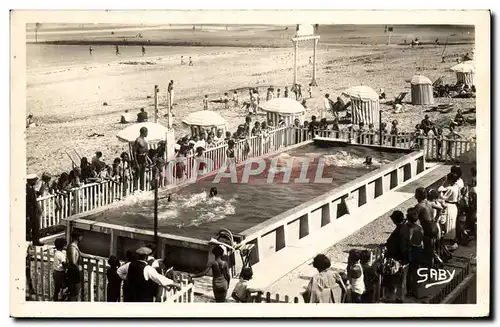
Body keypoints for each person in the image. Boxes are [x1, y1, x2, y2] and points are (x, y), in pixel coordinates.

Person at [383, 210, 408, 303]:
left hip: (397, 259)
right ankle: (399, 297)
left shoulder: (400, 231)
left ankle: (391, 298)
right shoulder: (405, 227)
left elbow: (398, 246)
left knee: (393, 280)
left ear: (394, 220)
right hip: (404, 259)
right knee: (401, 281)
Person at [414, 187, 438, 267]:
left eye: (416, 194)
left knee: (427, 249)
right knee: (431, 247)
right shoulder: (429, 203)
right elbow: (441, 208)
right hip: (434, 226)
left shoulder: (419, 206)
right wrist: (436, 219)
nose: (415, 196)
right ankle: (431, 263)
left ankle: (429, 267)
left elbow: (413, 218)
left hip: (428, 229)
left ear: (418, 196)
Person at [405, 208, 424, 297]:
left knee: (410, 271)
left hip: (413, 250)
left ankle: (410, 290)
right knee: (415, 269)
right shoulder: (419, 228)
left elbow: (409, 240)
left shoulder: (411, 229)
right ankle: (415, 288)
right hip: (419, 249)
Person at [439, 172, 461, 250]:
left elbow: (442, 197)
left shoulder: (450, 189)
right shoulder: (457, 187)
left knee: (447, 224)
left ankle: (448, 243)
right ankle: (452, 241)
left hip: (449, 206)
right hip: (454, 206)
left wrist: (441, 189)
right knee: (452, 224)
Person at [66, 231, 84, 301]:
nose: (82, 238)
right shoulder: (72, 247)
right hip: (73, 271)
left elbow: (79, 253)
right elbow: (73, 261)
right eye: (81, 236)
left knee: (75, 291)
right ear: (78, 237)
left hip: (73, 270)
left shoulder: (74, 246)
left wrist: (91, 256)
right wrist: (78, 267)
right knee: (75, 291)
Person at [26, 174, 42, 246]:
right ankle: (29, 243)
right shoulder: (27, 189)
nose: (35, 182)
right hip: (30, 212)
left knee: (36, 226)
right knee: (29, 228)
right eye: (34, 180)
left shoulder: (31, 188)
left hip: (34, 211)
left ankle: (36, 241)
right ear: (31, 180)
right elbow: (27, 202)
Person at [134, 127, 149, 191]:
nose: (147, 133)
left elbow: (146, 152)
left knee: (142, 174)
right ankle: (136, 188)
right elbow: (134, 152)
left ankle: (142, 188)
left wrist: (146, 160)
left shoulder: (144, 141)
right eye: (146, 132)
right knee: (138, 174)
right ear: (143, 132)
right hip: (139, 157)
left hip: (143, 158)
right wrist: (136, 162)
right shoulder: (138, 140)